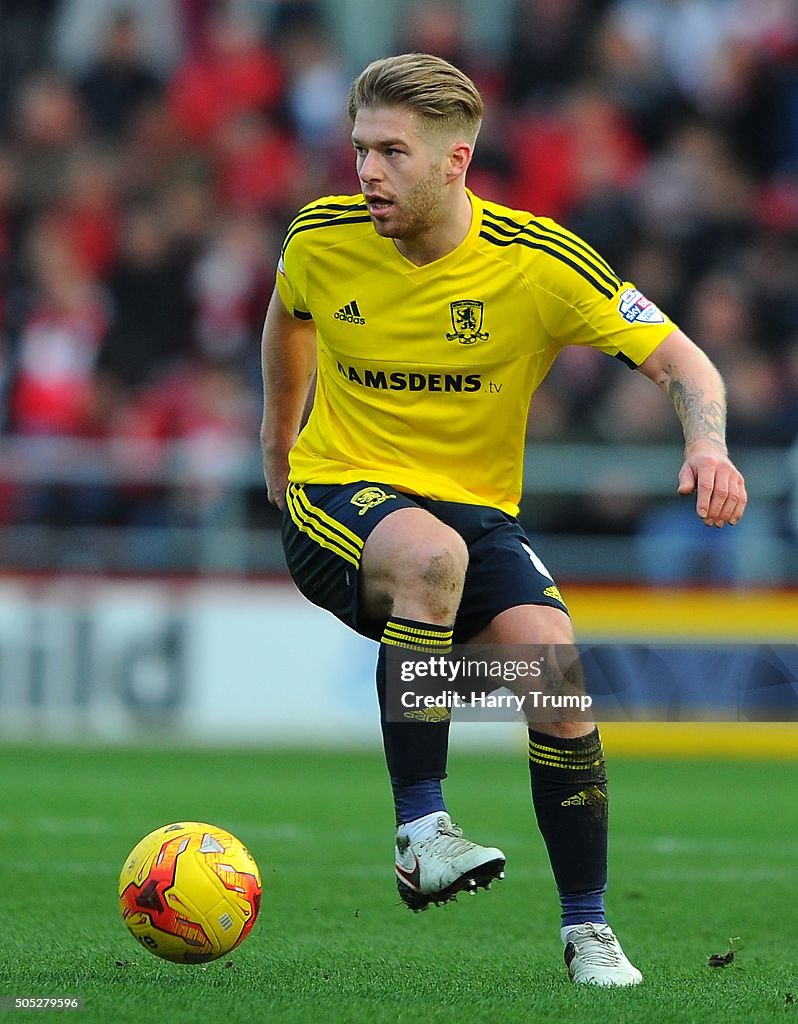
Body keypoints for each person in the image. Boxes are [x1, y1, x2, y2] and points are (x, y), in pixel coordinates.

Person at [260, 53, 747, 987]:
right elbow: (289, 316)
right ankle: (420, 831)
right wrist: (278, 443)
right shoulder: (323, 236)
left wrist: (709, 446)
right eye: (360, 149)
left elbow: (687, 362)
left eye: (392, 153)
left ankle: (588, 932)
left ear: (456, 160)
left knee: (556, 678)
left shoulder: (540, 264)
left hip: (474, 515)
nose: (366, 172)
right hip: (338, 498)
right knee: (429, 558)